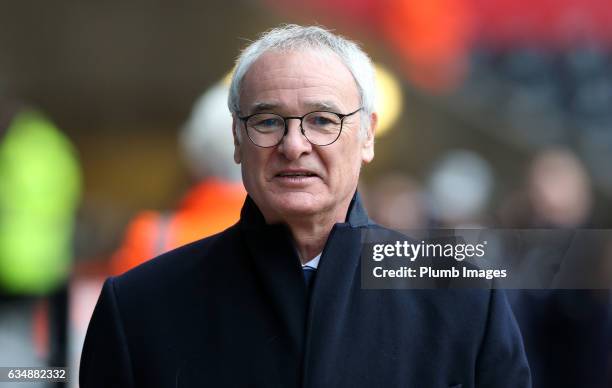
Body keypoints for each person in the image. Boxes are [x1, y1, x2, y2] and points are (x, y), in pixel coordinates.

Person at [80, 24, 531, 387]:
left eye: (321, 120)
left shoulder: (463, 298)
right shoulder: (138, 306)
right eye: (268, 120)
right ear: (238, 138)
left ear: (367, 135)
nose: (294, 145)